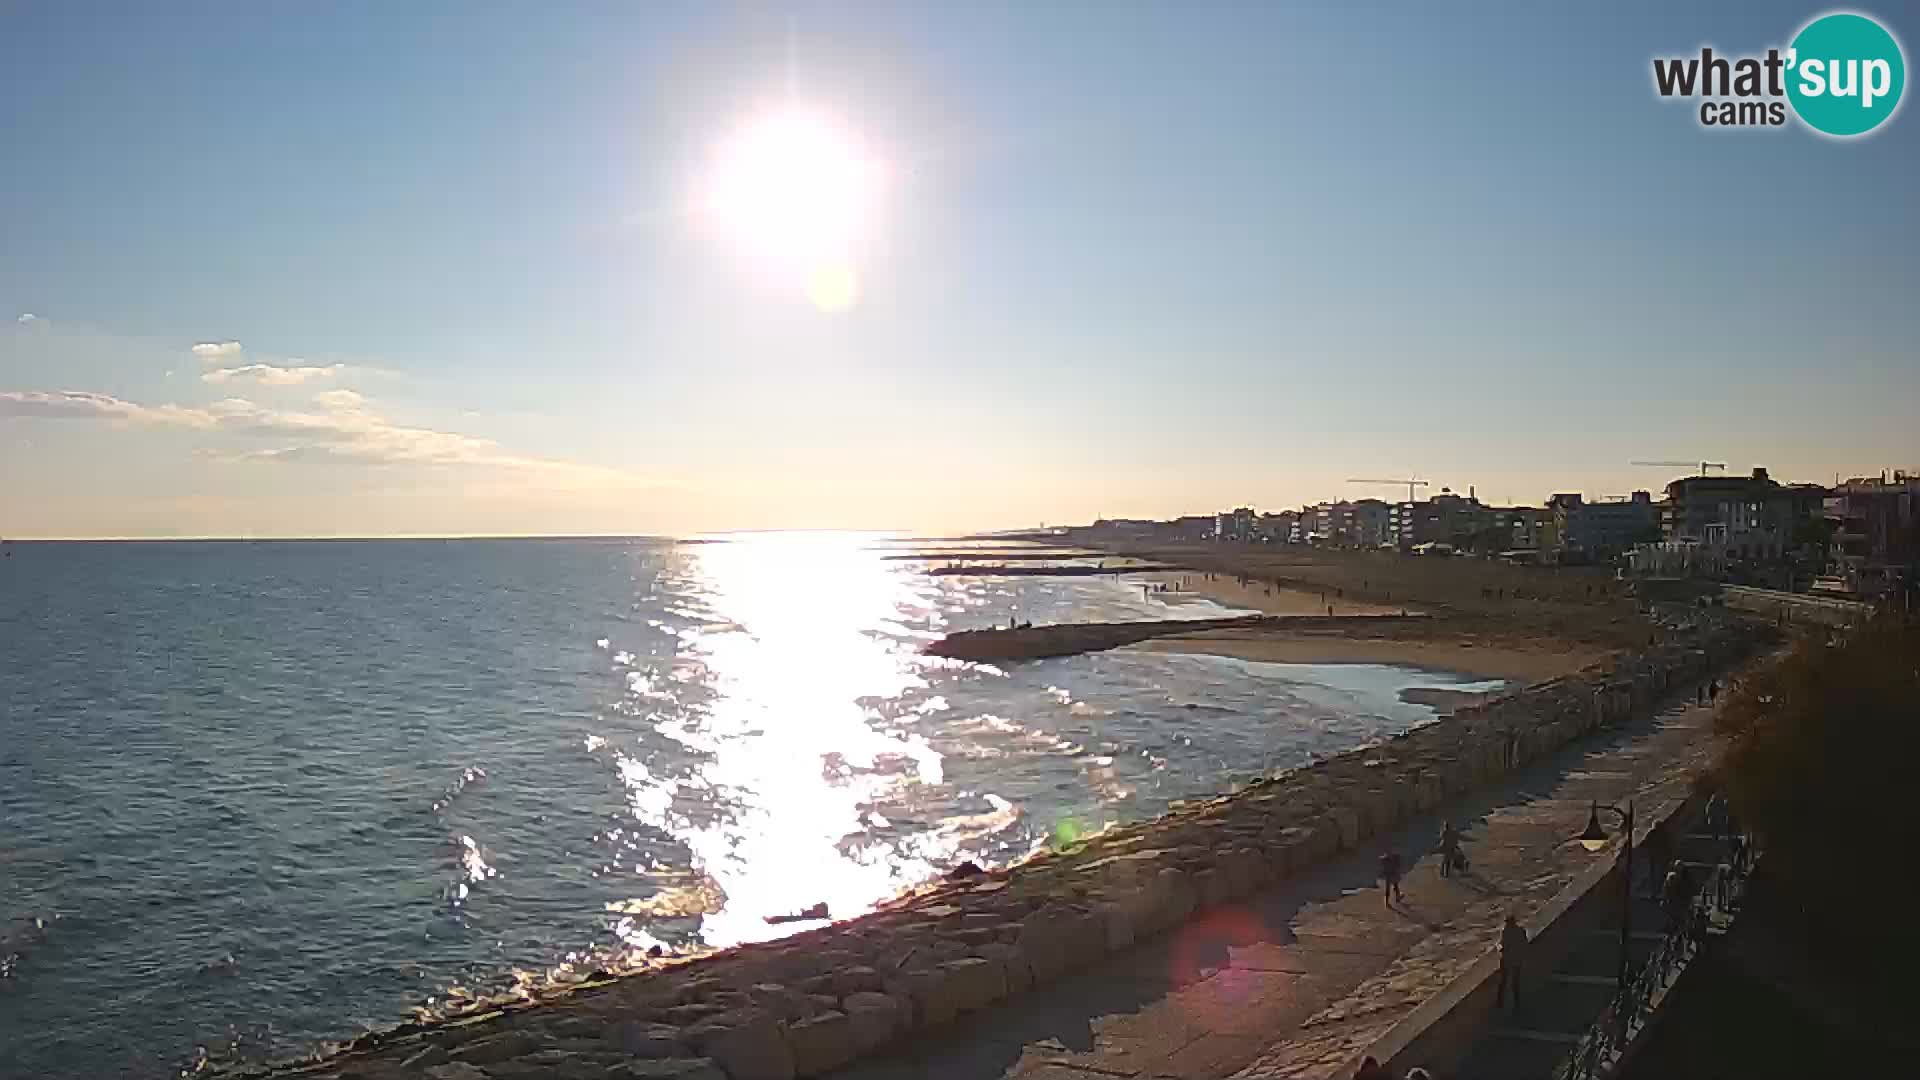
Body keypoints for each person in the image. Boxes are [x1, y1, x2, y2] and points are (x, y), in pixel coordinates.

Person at [1498, 913, 1527, 1009]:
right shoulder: (1521, 931)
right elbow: (1524, 945)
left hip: (1507, 959)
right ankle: (1517, 1002)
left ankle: (1500, 1001)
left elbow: (1504, 945)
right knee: (1515, 982)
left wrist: (1502, 949)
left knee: (1504, 981)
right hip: (1517, 960)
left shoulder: (1506, 932)